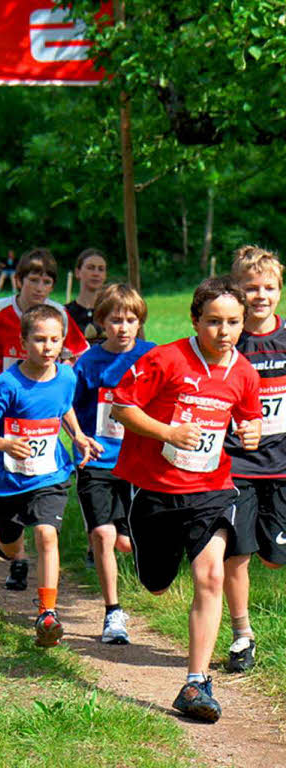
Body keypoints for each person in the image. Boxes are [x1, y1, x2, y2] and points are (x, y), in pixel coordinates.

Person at [111, 276, 261, 722]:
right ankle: (144, 553)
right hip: (154, 490)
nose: (225, 331)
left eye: (234, 322)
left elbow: (248, 422)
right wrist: (168, 433)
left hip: (210, 491)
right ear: (195, 320)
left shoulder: (245, 373)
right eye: (214, 321)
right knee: (156, 583)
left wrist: (250, 431)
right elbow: (122, 407)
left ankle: (195, 683)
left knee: (210, 574)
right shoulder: (166, 359)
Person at [0, 304, 99, 647]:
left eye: (55, 339)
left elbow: (64, 406)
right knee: (11, 544)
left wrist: (78, 435)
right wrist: (6, 444)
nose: (48, 346)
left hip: (49, 473)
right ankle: (6, 542)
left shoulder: (67, 375)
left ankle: (48, 613)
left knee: (47, 533)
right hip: (6, 479)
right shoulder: (5, 384)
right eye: (39, 340)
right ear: (23, 342)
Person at [71, 283, 155, 645]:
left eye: (130, 320)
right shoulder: (89, 362)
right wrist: (78, 437)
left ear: (140, 323)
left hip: (138, 461)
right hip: (97, 460)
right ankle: (113, 612)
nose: (123, 327)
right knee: (104, 534)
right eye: (115, 320)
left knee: (125, 542)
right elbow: (67, 405)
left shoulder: (152, 356)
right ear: (101, 322)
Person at [223, 246, 286, 674]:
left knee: (272, 557)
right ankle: (242, 636)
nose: (260, 295)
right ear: (238, 292)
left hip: (281, 466)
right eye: (251, 288)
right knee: (237, 554)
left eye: (269, 287)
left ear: (280, 291)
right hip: (235, 466)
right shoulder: (229, 340)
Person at [0, 248, 89, 383]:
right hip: (0, 394)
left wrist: (65, 370)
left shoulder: (59, 315)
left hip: (41, 395)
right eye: (33, 280)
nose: (39, 288)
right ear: (19, 281)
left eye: (46, 282)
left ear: (52, 287)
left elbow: (81, 352)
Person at [65, 248, 107, 344]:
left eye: (101, 269)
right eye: (90, 268)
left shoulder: (111, 312)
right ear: (77, 272)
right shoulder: (65, 314)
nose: (96, 273)